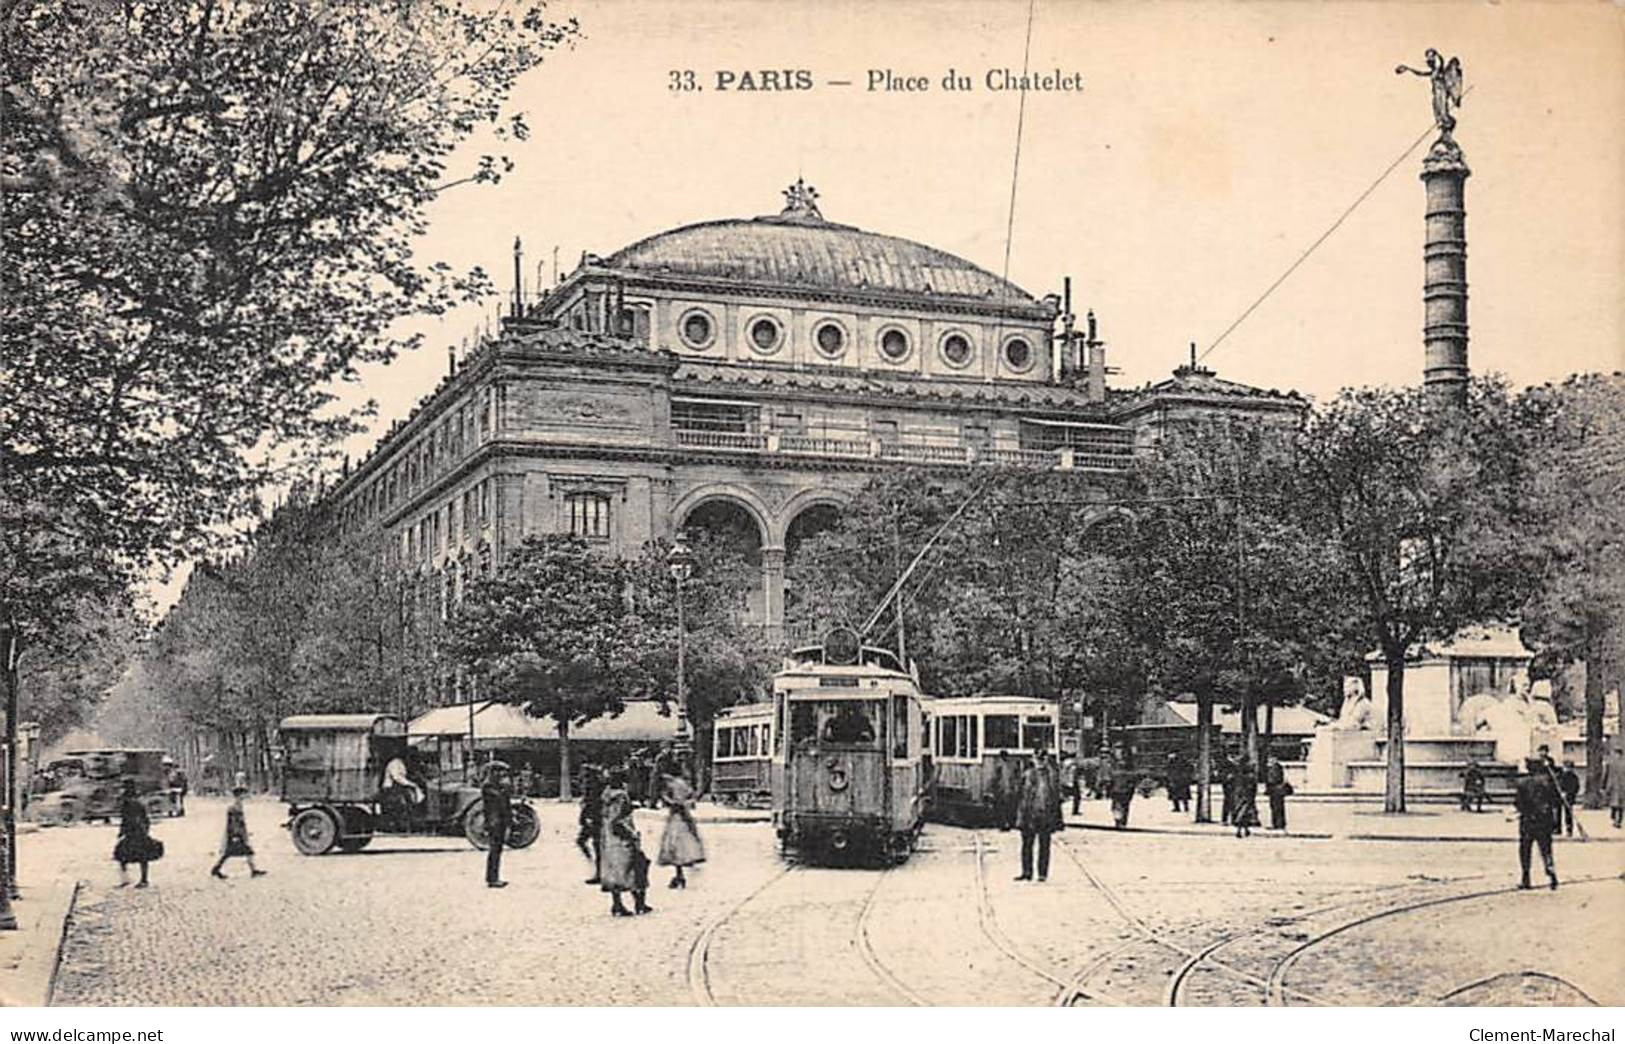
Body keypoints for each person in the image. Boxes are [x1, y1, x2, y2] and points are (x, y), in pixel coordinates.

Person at [599, 768, 652, 916]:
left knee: (616, 873)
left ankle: (617, 904)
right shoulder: (621, 797)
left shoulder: (606, 795)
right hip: (623, 839)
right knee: (637, 868)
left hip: (609, 839)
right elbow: (618, 820)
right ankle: (640, 904)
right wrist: (632, 835)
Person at [1015, 746, 1063, 882]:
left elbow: (1056, 797)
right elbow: (1021, 796)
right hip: (1032, 815)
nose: (1040, 761)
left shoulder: (1050, 776)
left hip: (1042, 815)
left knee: (1040, 845)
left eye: (1042, 759)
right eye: (1039, 758)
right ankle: (1029, 872)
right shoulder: (1031, 775)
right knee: (1031, 845)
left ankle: (1038, 873)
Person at [657, 759, 705, 888]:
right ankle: (680, 875)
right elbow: (692, 797)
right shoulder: (684, 783)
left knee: (674, 846)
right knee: (685, 844)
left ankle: (679, 875)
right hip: (685, 816)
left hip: (676, 816)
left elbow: (668, 799)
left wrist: (669, 800)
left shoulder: (671, 784)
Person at [1514, 756, 1560, 890]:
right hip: (1544, 820)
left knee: (1525, 849)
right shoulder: (1548, 782)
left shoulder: (1522, 783)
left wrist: (1522, 810)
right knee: (1546, 849)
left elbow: (1518, 803)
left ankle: (1526, 877)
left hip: (1528, 821)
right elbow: (1555, 800)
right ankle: (1552, 874)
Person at [211, 784, 266, 879]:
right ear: (239, 795)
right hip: (235, 834)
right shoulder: (234, 808)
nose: (245, 796)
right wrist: (236, 834)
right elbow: (233, 823)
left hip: (237, 833)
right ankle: (253, 871)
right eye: (243, 794)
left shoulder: (237, 806)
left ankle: (216, 869)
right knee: (245, 852)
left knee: (230, 853)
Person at [113, 780, 161, 888]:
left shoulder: (129, 804)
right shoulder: (138, 803)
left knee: (123, 855)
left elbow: (128, 820)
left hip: (135, 833)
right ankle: (141, 879)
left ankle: (128, 879)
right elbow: (145, 819)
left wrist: (122, 831)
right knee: (140, 857)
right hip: (138, 832)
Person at [481, 761, 512, 888]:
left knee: (497, 850)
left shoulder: (496, 786)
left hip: (499, 821)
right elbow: (500, 801)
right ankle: (492, 879)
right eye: (499, 771)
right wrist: (505, 789)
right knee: (494, 850)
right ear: (493, 772)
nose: (502, 774)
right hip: (495, 822)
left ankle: (494, 877)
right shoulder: (488, 786)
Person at [577, 763, 606, 884]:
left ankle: (598, 872)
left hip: (593, 818)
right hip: (593, 817)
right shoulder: (593, 785)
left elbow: (592, 803)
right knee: (589, 843)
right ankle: (597, 869)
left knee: (595, 845)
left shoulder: (592, 786)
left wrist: (588, 817)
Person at [1108, 748, 1138, 829]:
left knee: (1119, 805)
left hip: (1119, 789)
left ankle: (1119, 821)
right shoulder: (1127, 769)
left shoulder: (1115, 770)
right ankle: (1121, 821)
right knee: (1123, 805)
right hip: (1122, 789)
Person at [1231, 759, 1260, 838]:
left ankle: (1243, 830)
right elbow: (1253, 789)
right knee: (1243, 814)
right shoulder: (1250, 778)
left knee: (1242, 814)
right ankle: (1242, 830)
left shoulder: (1238, 776)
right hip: (1246, 798)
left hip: (1239, 798)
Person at [1263, 756, 1291, 831]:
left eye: (1270, 759)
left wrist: (1268, 783)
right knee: (1275, 808)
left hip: (1276, 791)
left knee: (1277, 808)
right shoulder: (1275, 767)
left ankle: (1278, 824)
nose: (1269, 761)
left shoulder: (1275, 767)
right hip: (1275, 791)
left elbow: (1273, 779)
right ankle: (1277, 823)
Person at [993, 751, 1018, 831]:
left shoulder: (1000, 765)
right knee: (1007, 807)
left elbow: (996, 777)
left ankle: (1005, 823)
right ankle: (1007, 823)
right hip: (1008, 789)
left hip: (1004, 789)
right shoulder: (1011, 765)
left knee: (1004, 807)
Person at [1603, 740, 1625, 830]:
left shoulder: (1610, 763)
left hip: (1613, 785)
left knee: (1615, 804)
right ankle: (1618, 820)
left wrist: (1603, 786)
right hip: (1621, 786)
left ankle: (1615, 819)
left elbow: (1605, 774)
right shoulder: (1621, 763)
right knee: (1620, 805)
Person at [1556, 760, 1581, 837]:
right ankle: (1557, 828)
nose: (1567, 769)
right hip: (1560, 797)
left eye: (1569, 768)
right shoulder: (1561, 776)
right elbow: (1558, 785)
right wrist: (1560, 792)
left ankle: (1569, 829)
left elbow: (1576, 787)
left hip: (1569, 797)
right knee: (1558, 812)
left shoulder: (1573, 777)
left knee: (1568, 813)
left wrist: (1569, 793)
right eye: (1566, 767)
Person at [1217, 754, 1237, 826]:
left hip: (1233, 784)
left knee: (1231, 802)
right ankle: (1228, 819)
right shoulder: (1226, 763)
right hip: (1229, 785)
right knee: (1229, 802)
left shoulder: (1233, 763)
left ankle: (1230, 819)